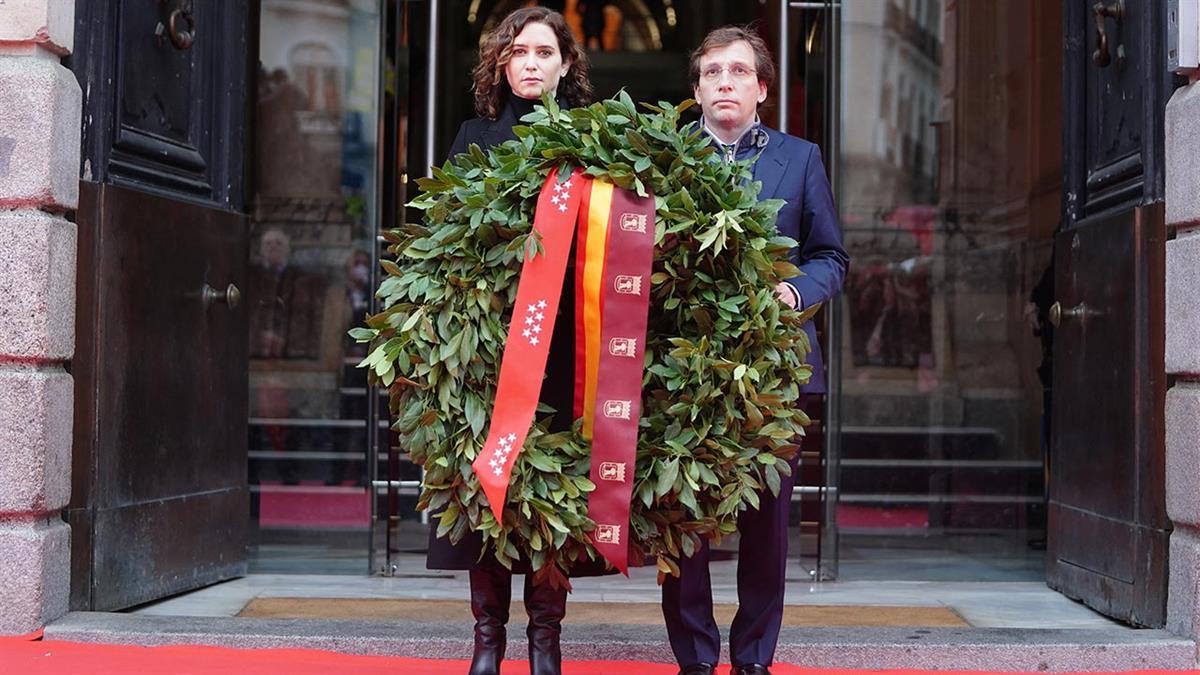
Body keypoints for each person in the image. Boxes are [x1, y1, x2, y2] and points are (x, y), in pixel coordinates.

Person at [659, 26, 849, 675]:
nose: (725, 83)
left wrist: (795, 295)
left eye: (739, 72)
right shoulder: (665, 162)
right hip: (685, 367)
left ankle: (753, 658)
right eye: (712, 72)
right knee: (682, 516)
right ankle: (693, 656)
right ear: (697, 89)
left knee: (765, 522)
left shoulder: (800, 159)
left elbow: (831, 256)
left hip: (774, 370)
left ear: (762, 88)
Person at [424, 8, 596, 675]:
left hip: (562, 348)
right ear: (501, 64)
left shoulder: (592, 141)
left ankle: (545, 638)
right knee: (489, 492)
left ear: (566, 65)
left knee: (552, 489)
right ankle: (488, 638)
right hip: (489, 347)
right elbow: (444, 242)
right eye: (516, 52)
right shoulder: (471, 137)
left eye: (543, 52)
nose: (528, 62)